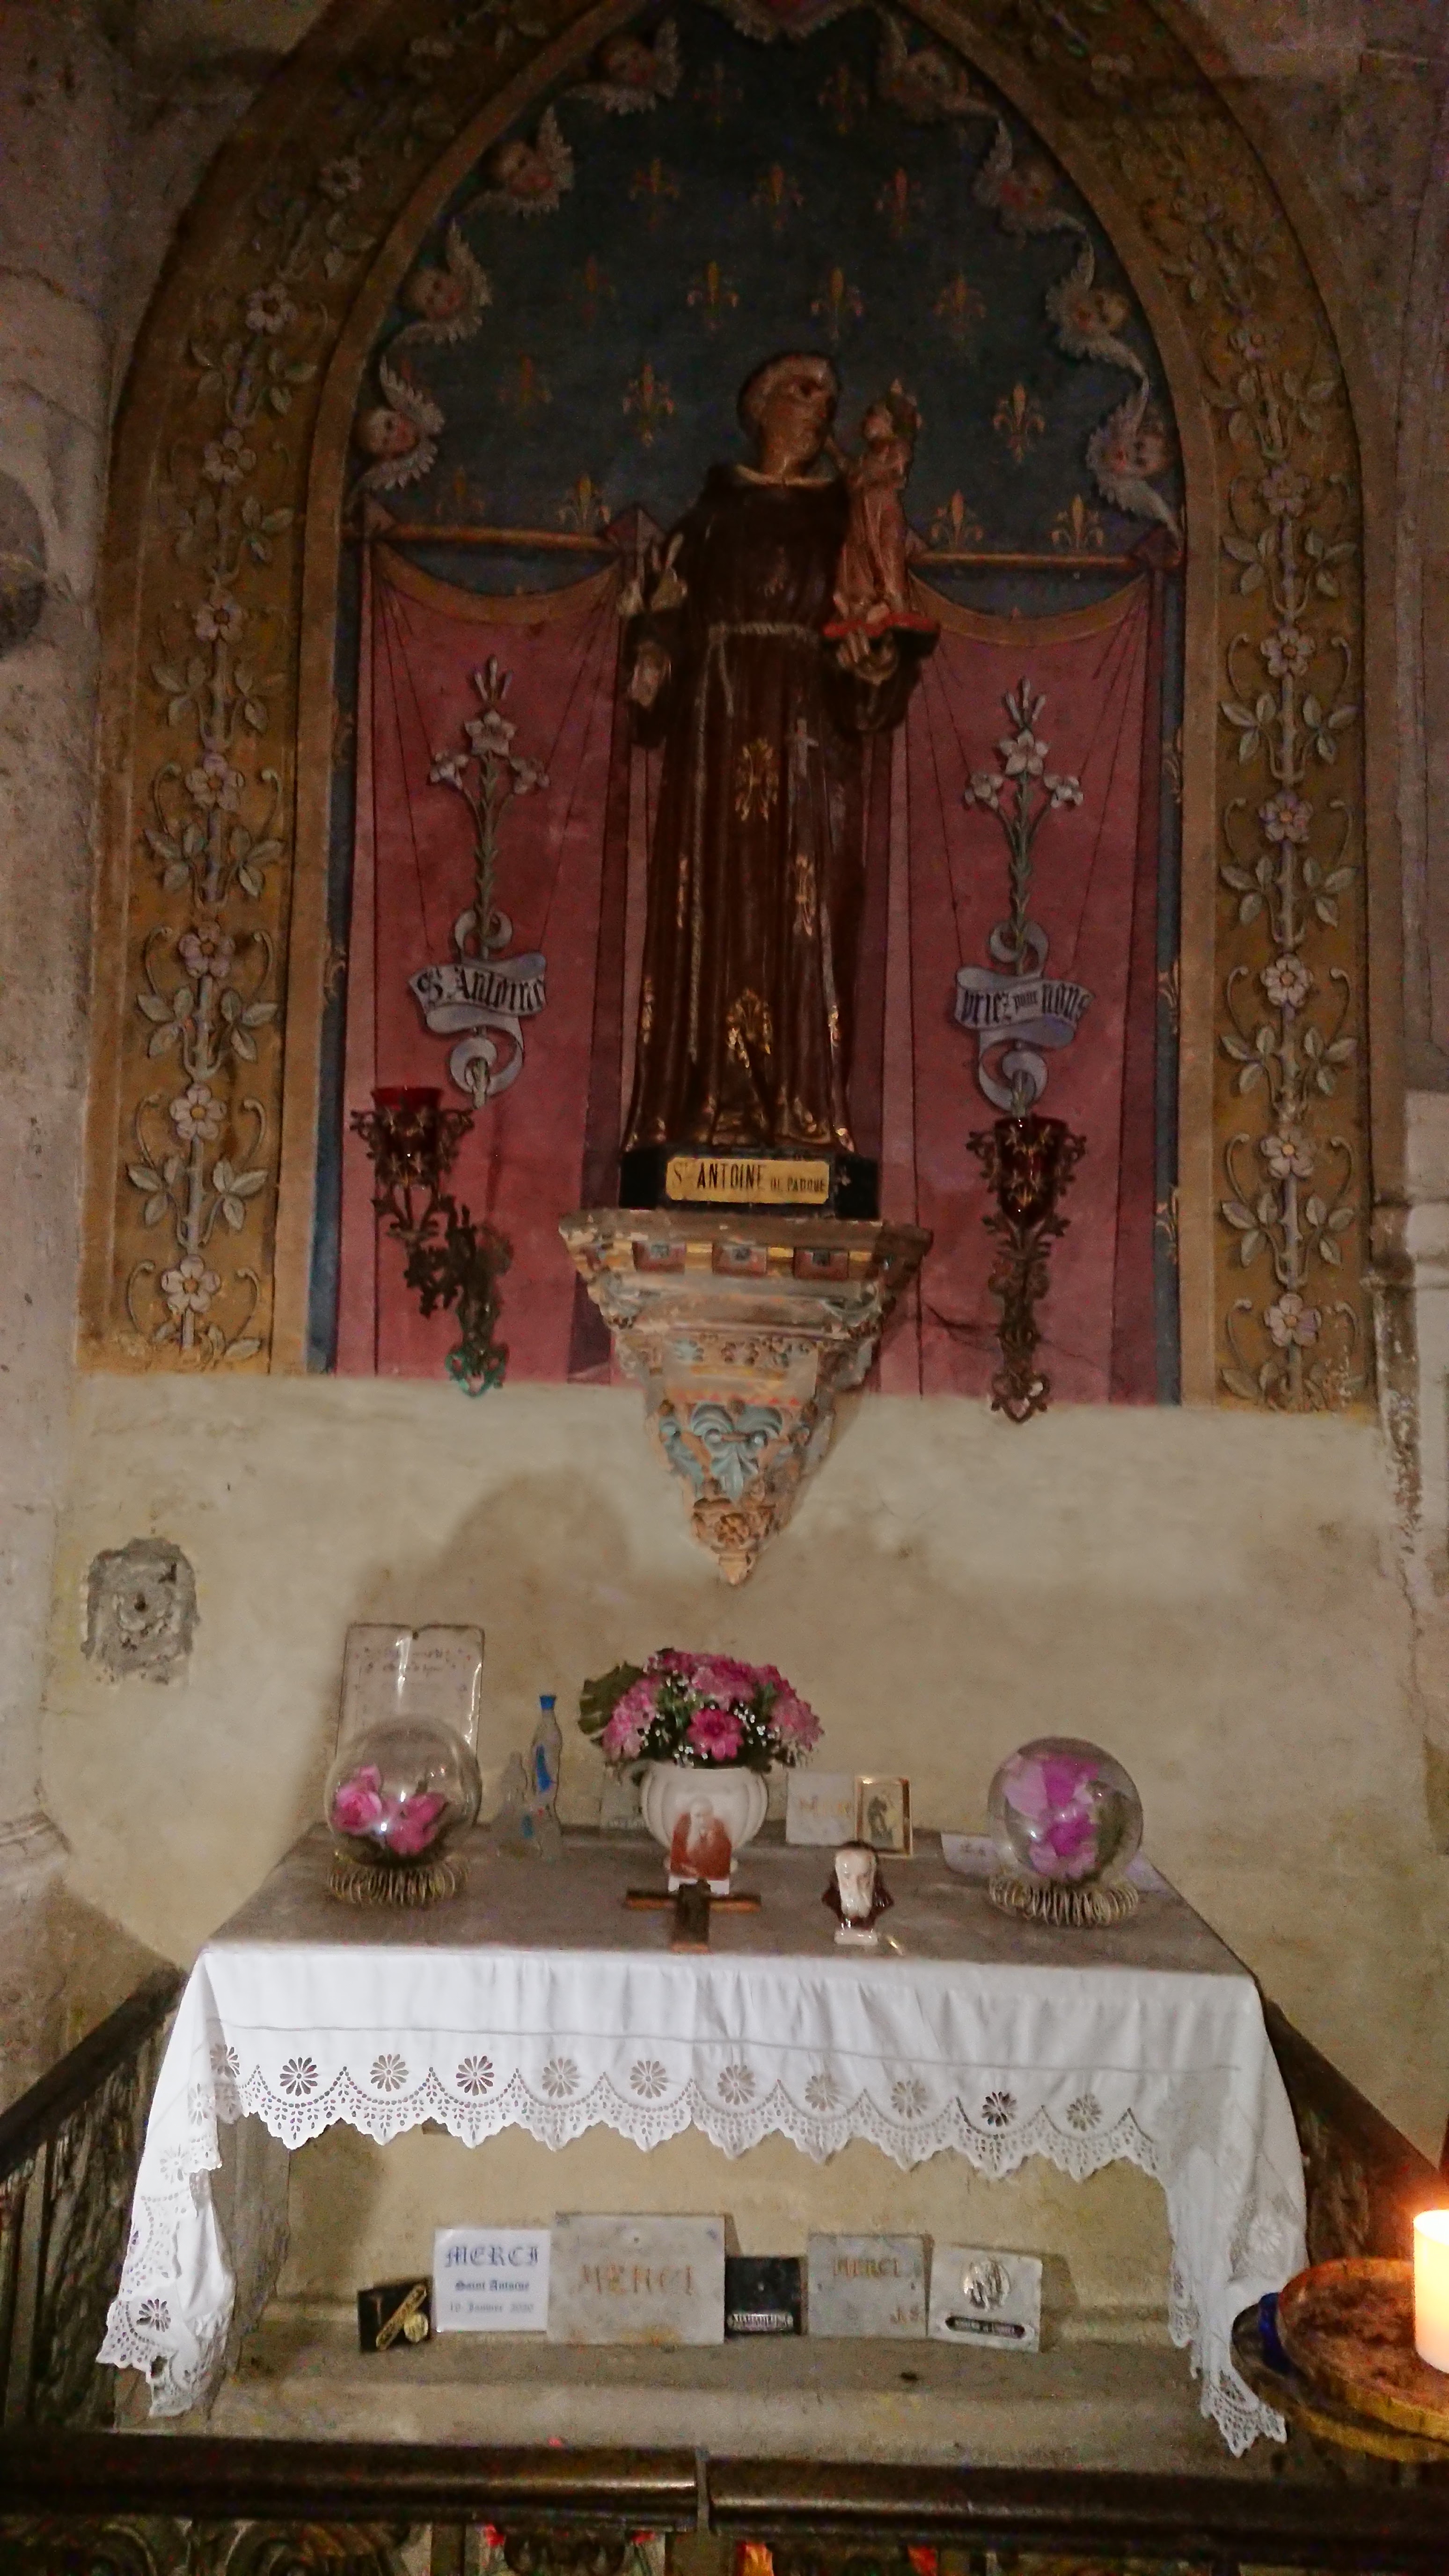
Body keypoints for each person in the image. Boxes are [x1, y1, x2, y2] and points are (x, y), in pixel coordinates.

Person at [622, 351, 935, 1157]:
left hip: (807, 741)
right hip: (718, 731)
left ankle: (800, 1115)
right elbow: (665, 613)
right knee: (714, 905)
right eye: (802, 390)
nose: (820, 407)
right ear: (760, 405)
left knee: (809, 912)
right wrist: (654, 659)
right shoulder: (709, 519)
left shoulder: (843, 521)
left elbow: (872, 632)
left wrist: (872, 662)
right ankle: (704, 1109)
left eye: (829, 395)